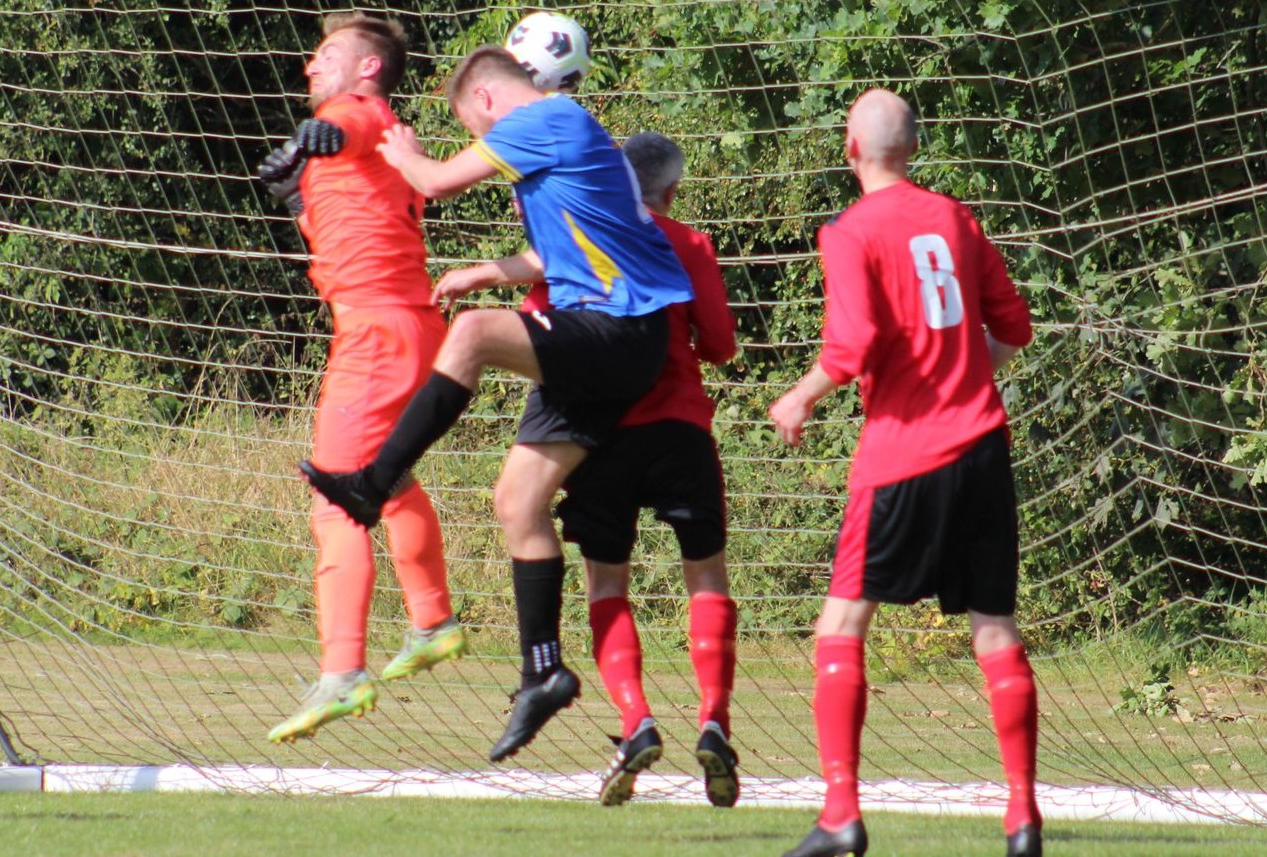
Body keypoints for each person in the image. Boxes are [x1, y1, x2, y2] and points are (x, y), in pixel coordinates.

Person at [301, 47, 693, 762]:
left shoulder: (547, 116)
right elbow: (556, 256)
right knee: (516, 500)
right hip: (602, 335)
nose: (477, 138)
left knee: (475, 334)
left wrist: (399, 144)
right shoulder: (565, 145)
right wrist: (485, 269)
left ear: (484, 101)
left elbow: (438, 181)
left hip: (618, 329)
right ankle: (542, 670)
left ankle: (371, 484)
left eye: (469, 124)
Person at [768, 89, 1041, 857]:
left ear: (850, 149)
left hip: (902, 455)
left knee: (842, 623)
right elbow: (1013, 327)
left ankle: (840, 815)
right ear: (912, 148)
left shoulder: (850, 230)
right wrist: (964, 377)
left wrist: (799, 395)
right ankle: (1022, 819)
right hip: (984, 447)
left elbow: (851, 347)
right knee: (993, 627)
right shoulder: (956, 218)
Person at [433, 131, 741, 804]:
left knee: (607, 581)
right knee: (707, 573)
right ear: (673, 190)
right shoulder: (690, 243)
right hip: (681, 428)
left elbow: (546, 329)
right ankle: (714, 718)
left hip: (600, 436)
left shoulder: (575, 233)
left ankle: (636, 722)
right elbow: (720, 344)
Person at [253, 12, 463, 743]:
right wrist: (299, 194)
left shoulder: (358, 113)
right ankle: (432, 618)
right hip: (400, 323)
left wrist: (322, 138)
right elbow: (347, 210)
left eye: (328, 55)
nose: (312, 67)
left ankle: (343, 671)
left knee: (335, 497)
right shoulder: (347, 142)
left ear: (367, 69)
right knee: (386, 478)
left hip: (377, 330)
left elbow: (346, 125)